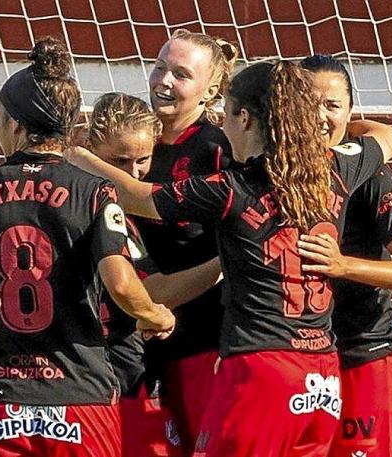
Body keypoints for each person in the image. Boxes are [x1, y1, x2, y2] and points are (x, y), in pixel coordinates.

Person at [67, 60, 392, 456]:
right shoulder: (338, 167)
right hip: (322, 376)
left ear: (245, 118)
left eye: (226, 115)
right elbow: (389, 136)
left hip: (260, 370)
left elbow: (138, 197)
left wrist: (80, 158)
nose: (222, 128)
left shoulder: (231, 189)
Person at [0, 37, 175, 457]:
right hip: (80, 396)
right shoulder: (94, 192)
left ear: (17, 126)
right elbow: (123, 286)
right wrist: (155, 314)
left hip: (1, 397)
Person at [298, 54, 392, 457]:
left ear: (350, 110)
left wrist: (343, 265)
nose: (320, 116)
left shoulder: (368, 176)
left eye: (332, 105)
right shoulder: (272, 172)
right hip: (306, 363)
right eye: (308, 104)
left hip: (369, 356)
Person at [86, 92, 222, 457]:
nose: (132, 173)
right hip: (107, 368)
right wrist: (226, 262)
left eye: (142, 160)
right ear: (90, 147)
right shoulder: (102, 207)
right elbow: (151, 289)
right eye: (119, 161)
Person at [134, 28, 238, 455]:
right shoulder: (135, 142)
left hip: (205, 342)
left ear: (211, 88)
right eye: (159, 67)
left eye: (180, 74)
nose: (163, 81)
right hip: (143, 345)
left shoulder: (218, 148)